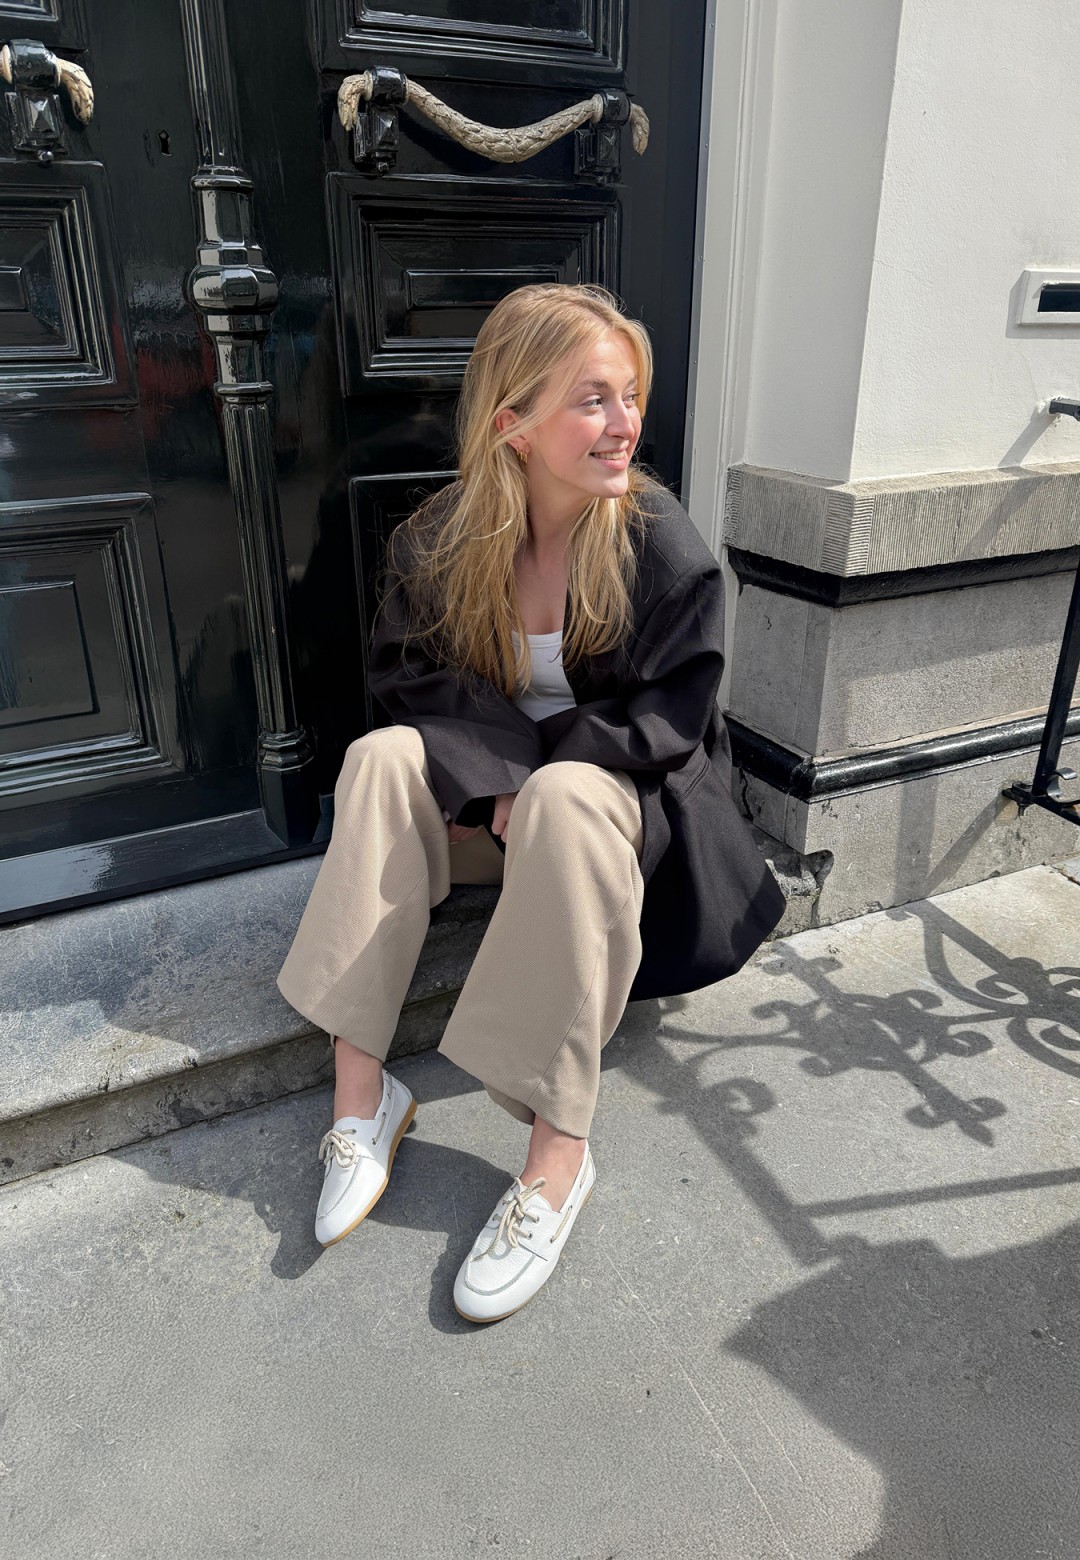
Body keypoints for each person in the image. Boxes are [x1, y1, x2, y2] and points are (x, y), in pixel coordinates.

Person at [276, 283, 786, 1323]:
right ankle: (364, 1098)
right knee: (378, 760)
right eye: (593, 399)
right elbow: (409, 678)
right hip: (500, 819)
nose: (626, 423)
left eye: (631, 396)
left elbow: (672, 720)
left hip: (615, 835)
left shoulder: (660, 544)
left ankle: (559, 1155)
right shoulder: (440, 540)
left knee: (563, 792)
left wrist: (536, 778)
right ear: (512, 419)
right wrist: (497, 780)